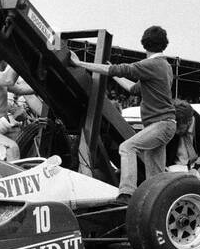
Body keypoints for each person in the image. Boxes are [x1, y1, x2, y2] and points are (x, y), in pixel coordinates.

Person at [73, 25, 176, 198]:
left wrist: (79, 64)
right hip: (165, 124)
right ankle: (156, 203)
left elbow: (117, 69)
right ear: (164, 44)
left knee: (127, 147)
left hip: (160, 124)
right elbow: (134, 88)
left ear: (144, 44)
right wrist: (113, 74)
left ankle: (127, 193)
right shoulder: (165, 66)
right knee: (155, 175)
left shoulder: (150, 64)